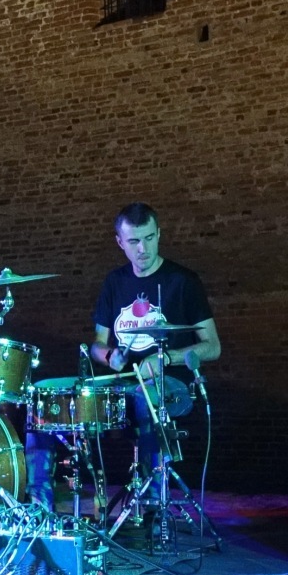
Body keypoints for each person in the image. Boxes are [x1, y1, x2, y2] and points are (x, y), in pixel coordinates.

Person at [92, 203, 222, 477]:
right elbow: (97, 344)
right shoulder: (114, 282)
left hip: (172, 383)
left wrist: (164, 359)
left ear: (159, 234)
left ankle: (152, 492)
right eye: (134, 241)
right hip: (124, 382)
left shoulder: (183, 281)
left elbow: (212, 346)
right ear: (120, 243)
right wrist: (109, 356)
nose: (143, 249)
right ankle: (42, 497)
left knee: (144, 397)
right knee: (56, 402)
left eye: (149, 238)